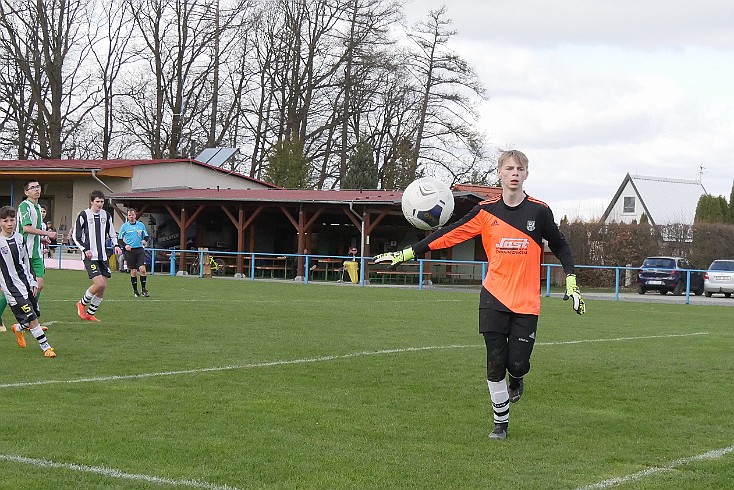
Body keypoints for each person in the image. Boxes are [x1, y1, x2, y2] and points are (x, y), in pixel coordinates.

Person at [374, 150, 585, 441]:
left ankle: (518, 377)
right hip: (493, 298)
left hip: (526, 301)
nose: (514, 173)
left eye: (519, 169)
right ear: (499, 172)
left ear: (526, 174)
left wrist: (571, 281)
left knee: (517, 364)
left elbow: (561, 246)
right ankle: (501, 424)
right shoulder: (485, 211)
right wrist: (407, 252)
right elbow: (449, 233)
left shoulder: (539, 211)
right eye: (509, 168)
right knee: (495, 361)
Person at [0, 180, 56, 335]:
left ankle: (30, 321)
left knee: (38, 286)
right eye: (33, 188)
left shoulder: (38, 207)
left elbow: (32, 232)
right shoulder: (25, 206)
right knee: (12, 289)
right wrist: (47, 233)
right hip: (25, 253)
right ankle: (27, 321)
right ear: (26, 192)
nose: (37, 190)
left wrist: (41, 239)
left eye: (38, 187)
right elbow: (25, 228)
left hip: (36, 252)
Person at [72, 190, 122, 322]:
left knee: (103, 287)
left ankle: (90, 313)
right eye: (97, 202)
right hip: (90, 256)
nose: (100, 204)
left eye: (102, 202)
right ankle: (81, 304)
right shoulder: (84, 215)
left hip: (103, 256)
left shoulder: (106, 215)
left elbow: (112, 233)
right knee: (99, 283)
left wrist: (116, 245)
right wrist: (85, 249)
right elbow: (75, 236)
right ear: (91, 201)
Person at [117, 208, 151, 297]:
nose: (131, 217)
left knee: (142, 269)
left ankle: (144, 289)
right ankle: (135, 291)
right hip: (130, 251)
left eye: (132, 215)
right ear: (127, 216)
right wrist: (125, 245)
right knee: (134, 271)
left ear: (135, 215)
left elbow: (146, 236)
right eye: (129, 215)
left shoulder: (141, 225)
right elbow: (120, 239)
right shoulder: (124, 226)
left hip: (139, 249)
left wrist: (144, 240)